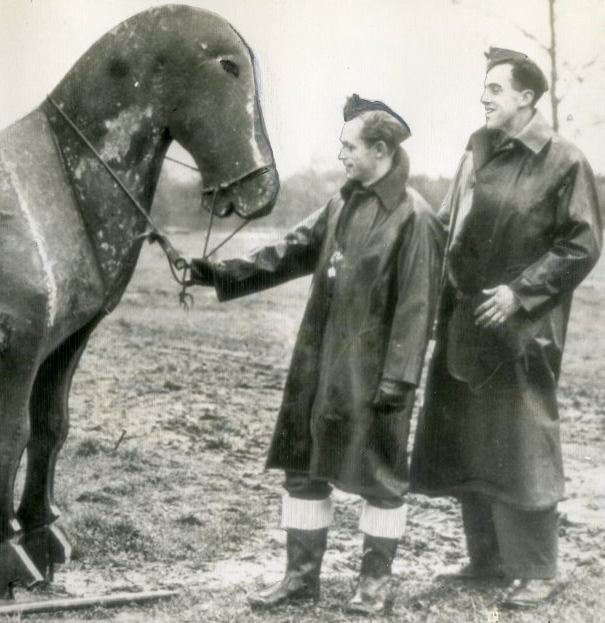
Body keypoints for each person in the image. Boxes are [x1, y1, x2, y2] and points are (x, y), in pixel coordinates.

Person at [188, 94, 442, 614]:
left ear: (380, 149)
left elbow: (417, 309)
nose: (340, 154)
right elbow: (286, 252)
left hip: (375, 377)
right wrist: (216, 273)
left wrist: (398, 380)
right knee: (302, 468)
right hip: (318, 368)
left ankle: (374, 585)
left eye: (349, 146)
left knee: (379, 478)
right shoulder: (340, 205)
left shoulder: (416, 217)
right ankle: (301, 579)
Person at [409, 48, 602, 610]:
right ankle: (487, 560)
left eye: (495, 88)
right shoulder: (477, 152)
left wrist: (520, 294)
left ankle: (539, 570)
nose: (484, 97)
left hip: (523, 329)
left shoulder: (564, 161)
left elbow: (582, 244)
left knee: (523, 442)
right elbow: (447, 225)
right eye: (484, 87)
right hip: (466, 318)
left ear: (526, 96)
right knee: (470, 433)